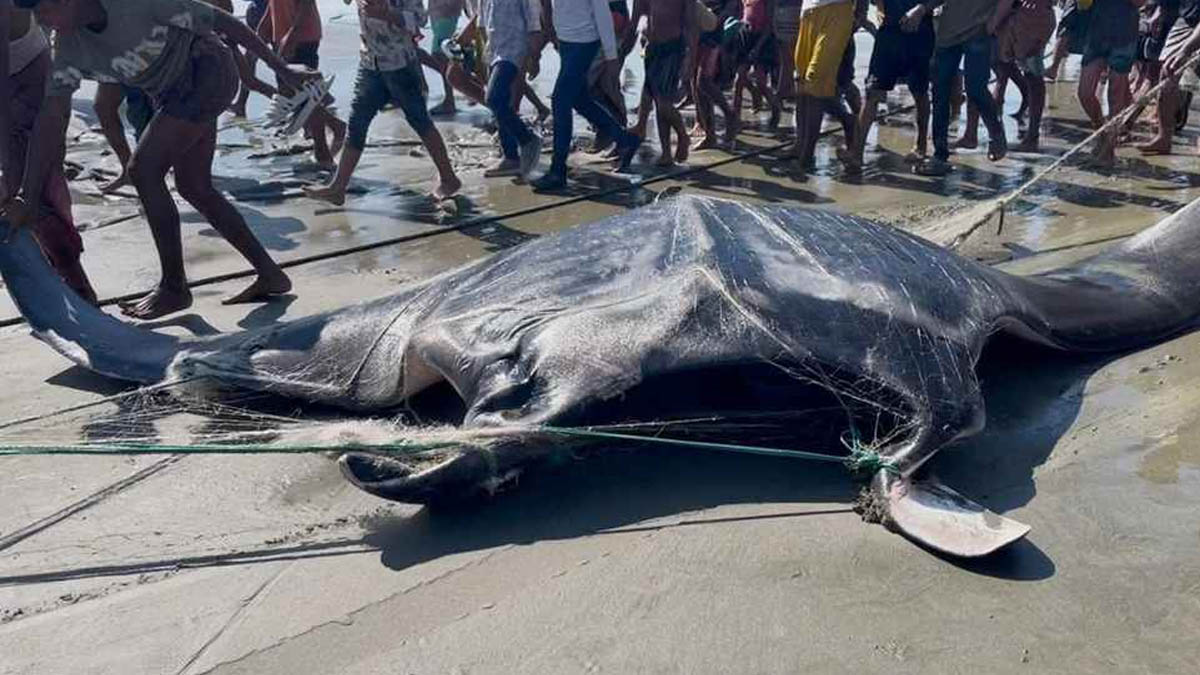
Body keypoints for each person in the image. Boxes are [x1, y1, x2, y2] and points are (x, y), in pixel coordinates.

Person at [3, 0, 301, 319]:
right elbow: (52, 116)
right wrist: (26, 195)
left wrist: (281, 69)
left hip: (206, 69)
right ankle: (271, 274)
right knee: (194, 187)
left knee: (143, 171)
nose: (41, 20)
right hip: (171, 94)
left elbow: (223, 22)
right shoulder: (69, 46)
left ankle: (174, 288)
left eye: (45, 10)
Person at [305, 0, 462, 203]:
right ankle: (338, 187)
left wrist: (387, 13)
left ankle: (449, 178)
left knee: (420, 121)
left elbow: (419, 20)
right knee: (356, 123)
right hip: (370, 61)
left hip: (400, 63)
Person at [0, 0, 96, 303]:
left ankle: (77, 285)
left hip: (28, 75)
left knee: (36, 187)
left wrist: (11, 168)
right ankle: (47, 277)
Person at [530, 0, 642, 191]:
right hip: (566, 41)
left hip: (585, 42)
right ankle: (625, 140)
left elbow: (603, 13)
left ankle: (557, 171)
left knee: (560, 101)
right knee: (579, 99)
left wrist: (611, 56)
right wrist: (549, 35)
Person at [912, 0, 1008, 176]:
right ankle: (940, 155)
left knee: (976, 89)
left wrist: (993, 22)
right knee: (939, 92)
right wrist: (922, 8)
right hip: (948, 32)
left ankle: (996, 133)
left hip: (979, 31)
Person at [841, 0, 934, 173]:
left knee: (919, 91)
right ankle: (856, 154)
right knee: (872, 92)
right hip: (888, 33)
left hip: (919, 32)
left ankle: (921, 146)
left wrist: (921, 9)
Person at [264, 0, 347, 169]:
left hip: (302, 37)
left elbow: (306, 5)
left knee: (307, 95)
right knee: (296, 95)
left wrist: (291, 37)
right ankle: (335, 126)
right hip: (281, 36)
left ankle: (322, 152)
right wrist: (263, 28)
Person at [791, 0, 860, 178]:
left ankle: (806, 157)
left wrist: (860, 14)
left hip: (838, 10)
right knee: (802, 82)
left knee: (815, 80)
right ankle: (847, 121)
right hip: (808, 11)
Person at [476, 0, 544, 178]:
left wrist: (534, 57)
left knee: (493, 99)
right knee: (502, 102)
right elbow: (483, 24)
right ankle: (511, 157)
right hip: (494, 52)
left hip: (514, 50)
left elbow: (534, 24)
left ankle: (527, 139)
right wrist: (485, 56)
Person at [624, 0, 697, 166]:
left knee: (663, 103)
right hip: (651, 47)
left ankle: (682, 135)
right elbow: (636, 18)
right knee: (657, 101)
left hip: (673, 48)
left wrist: (690, 59)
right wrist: (623, 51)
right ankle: (666, 153)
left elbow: (691, 24)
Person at [991, 0, 1056, 152]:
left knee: (1033, 75)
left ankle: (1032, 136)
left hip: (1030, 18)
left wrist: (993, 23)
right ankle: (1030, 133)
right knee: (1003, 62)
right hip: (1023, 15)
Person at [691, 0, 739, 149]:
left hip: (713, 32)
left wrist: (718, 20)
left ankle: (729, 114)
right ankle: (709, 134)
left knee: (703, 81)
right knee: (695, 84)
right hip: (697, 29)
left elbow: (732, 6)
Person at [733, 0, 783, 130]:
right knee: (739, 80)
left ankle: (775, 108)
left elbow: (770, 25)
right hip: (745, 36)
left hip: (763, 39)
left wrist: (758, 47)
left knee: (761, 82)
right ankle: (734, 119)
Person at [425, 0, 463, 115]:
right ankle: (459, 81)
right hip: (440, 14)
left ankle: (451, 99)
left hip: (446, 14)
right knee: (441, 57)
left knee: (440, 56)